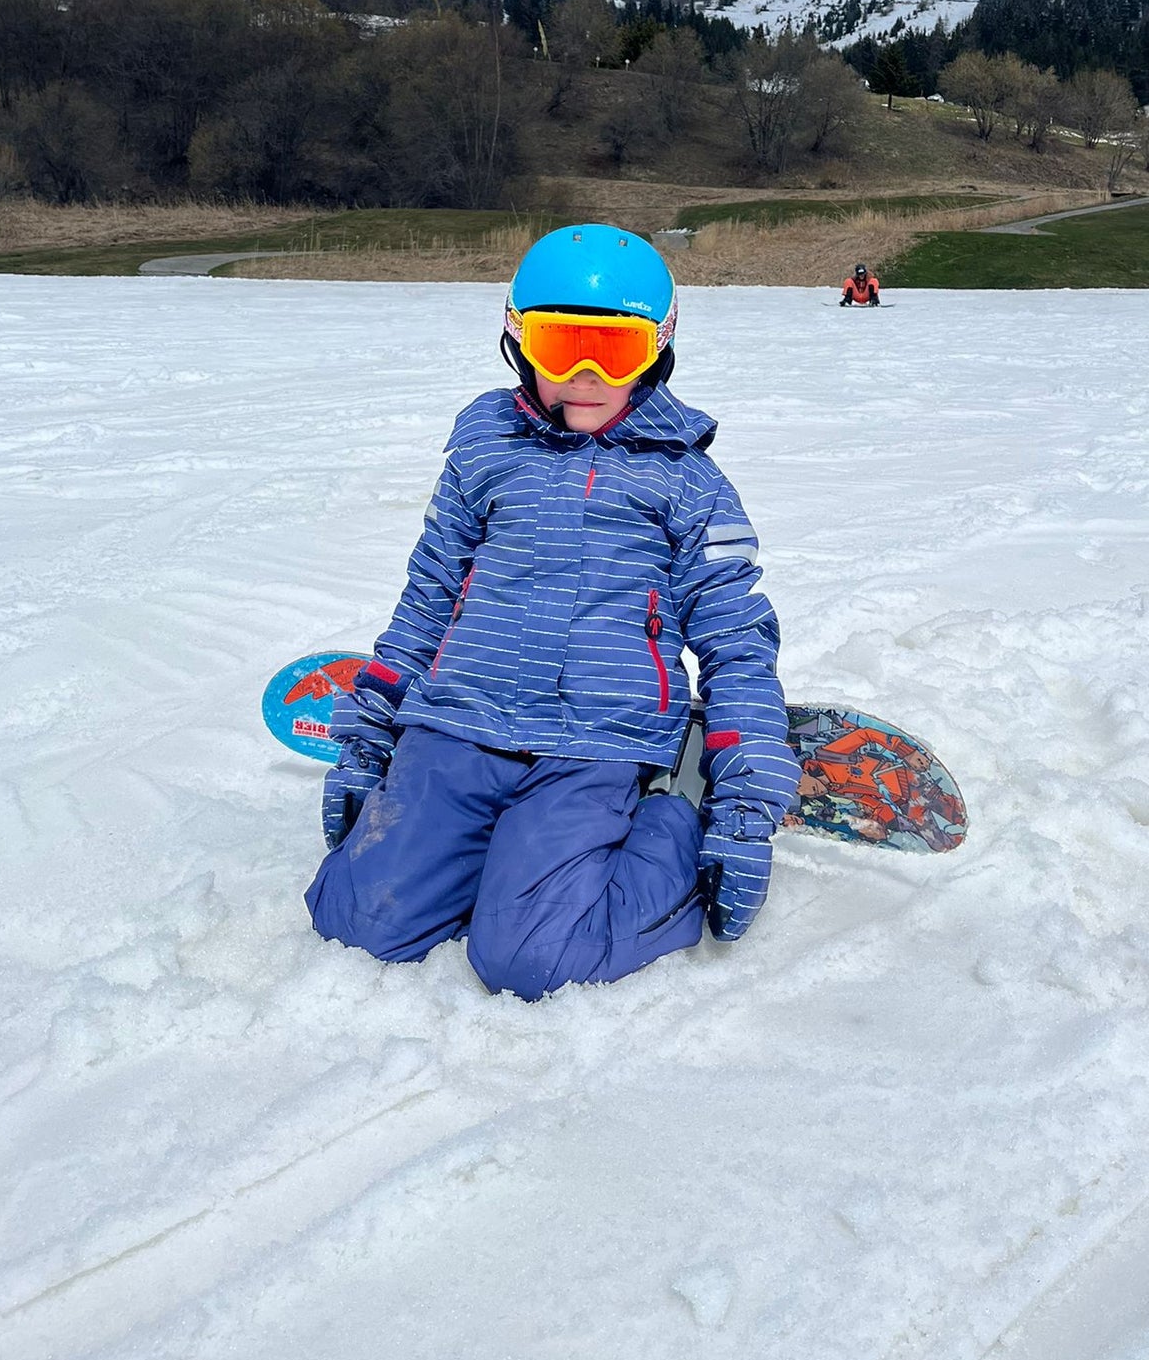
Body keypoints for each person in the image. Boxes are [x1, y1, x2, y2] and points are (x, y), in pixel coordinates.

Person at [305, 224, 796, 1001]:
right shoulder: (482, 451)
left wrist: (740, 812)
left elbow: (737, 641)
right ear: (517, 339)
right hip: (459, 721)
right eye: (561, 344)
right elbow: (429, 595)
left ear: (659, 349)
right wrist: (372, 737)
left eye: (616, 350)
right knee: (358, 921)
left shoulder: (691, 485)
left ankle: (672, 815)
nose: (585, 375)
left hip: (594, 740)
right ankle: (493, 862)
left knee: (531, 958)